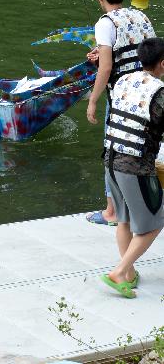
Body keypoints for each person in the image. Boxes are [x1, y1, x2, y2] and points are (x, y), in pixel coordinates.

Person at [85, 0, 156, 226]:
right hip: (148, 94)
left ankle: (112, 211)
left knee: (113, 150)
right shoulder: (141, 16)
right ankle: (145, 200)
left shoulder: (105, 23)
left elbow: (105, 69)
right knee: (142, 146)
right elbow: (148, 53)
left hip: (121, 97)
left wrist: (93, 100)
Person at [99, 37, 164, 299]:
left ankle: (128, 275)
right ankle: (119, 271)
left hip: (110, 159)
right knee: (155, 221)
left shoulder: (124, 79)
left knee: (123, 218)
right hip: (134, 166)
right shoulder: (159, 93)